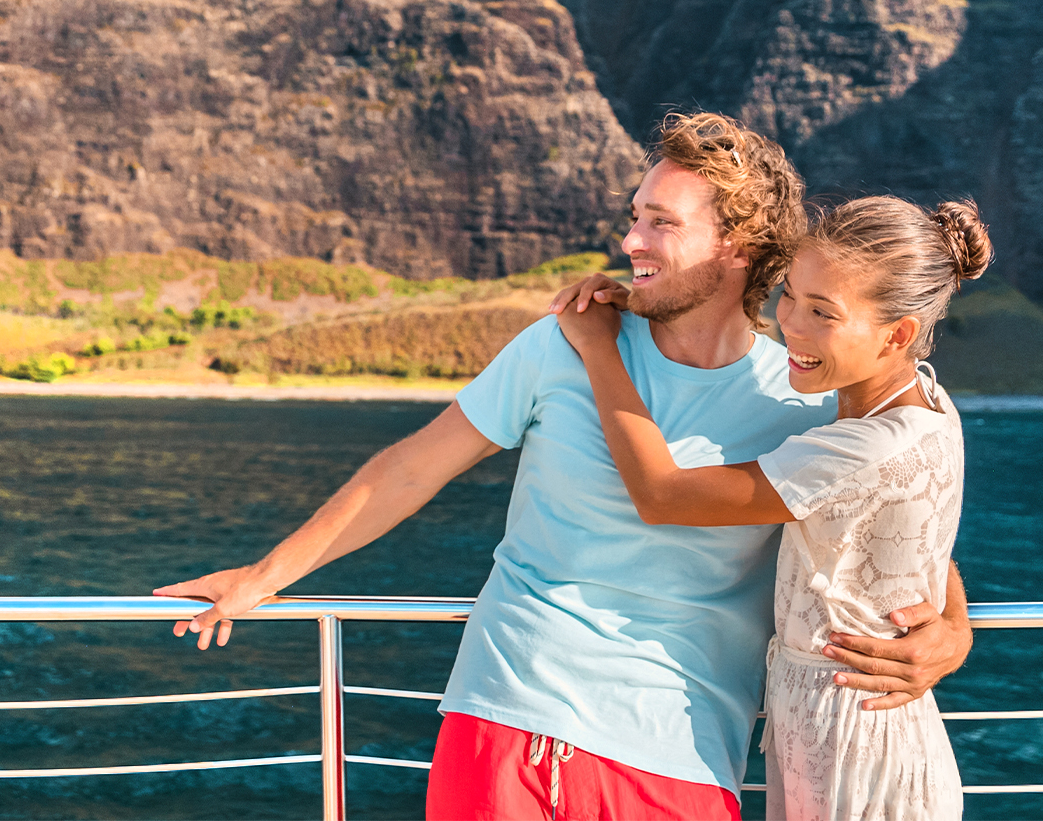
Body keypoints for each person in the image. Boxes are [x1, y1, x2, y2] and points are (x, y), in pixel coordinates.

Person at [154, 114, 974, 820]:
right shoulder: (558, 344)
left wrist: (953, 629)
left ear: (737, 248)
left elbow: (886, 509)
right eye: (633, 216)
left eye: (661, 222)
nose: (629, 241)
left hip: (680, 752)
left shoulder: (800, 395)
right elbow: (412, 468)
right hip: (509, 714)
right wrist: (265, 574)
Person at [552, 194, 992, 820]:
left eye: (824, 313)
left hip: (850, 740)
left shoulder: (860, 447)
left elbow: (664, 495)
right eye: (789, 295)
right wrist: (954, 623)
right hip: (852, 726)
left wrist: (599, 348)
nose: (793, 324)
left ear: (896, 335)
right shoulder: (923, 403)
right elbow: (913, 531)